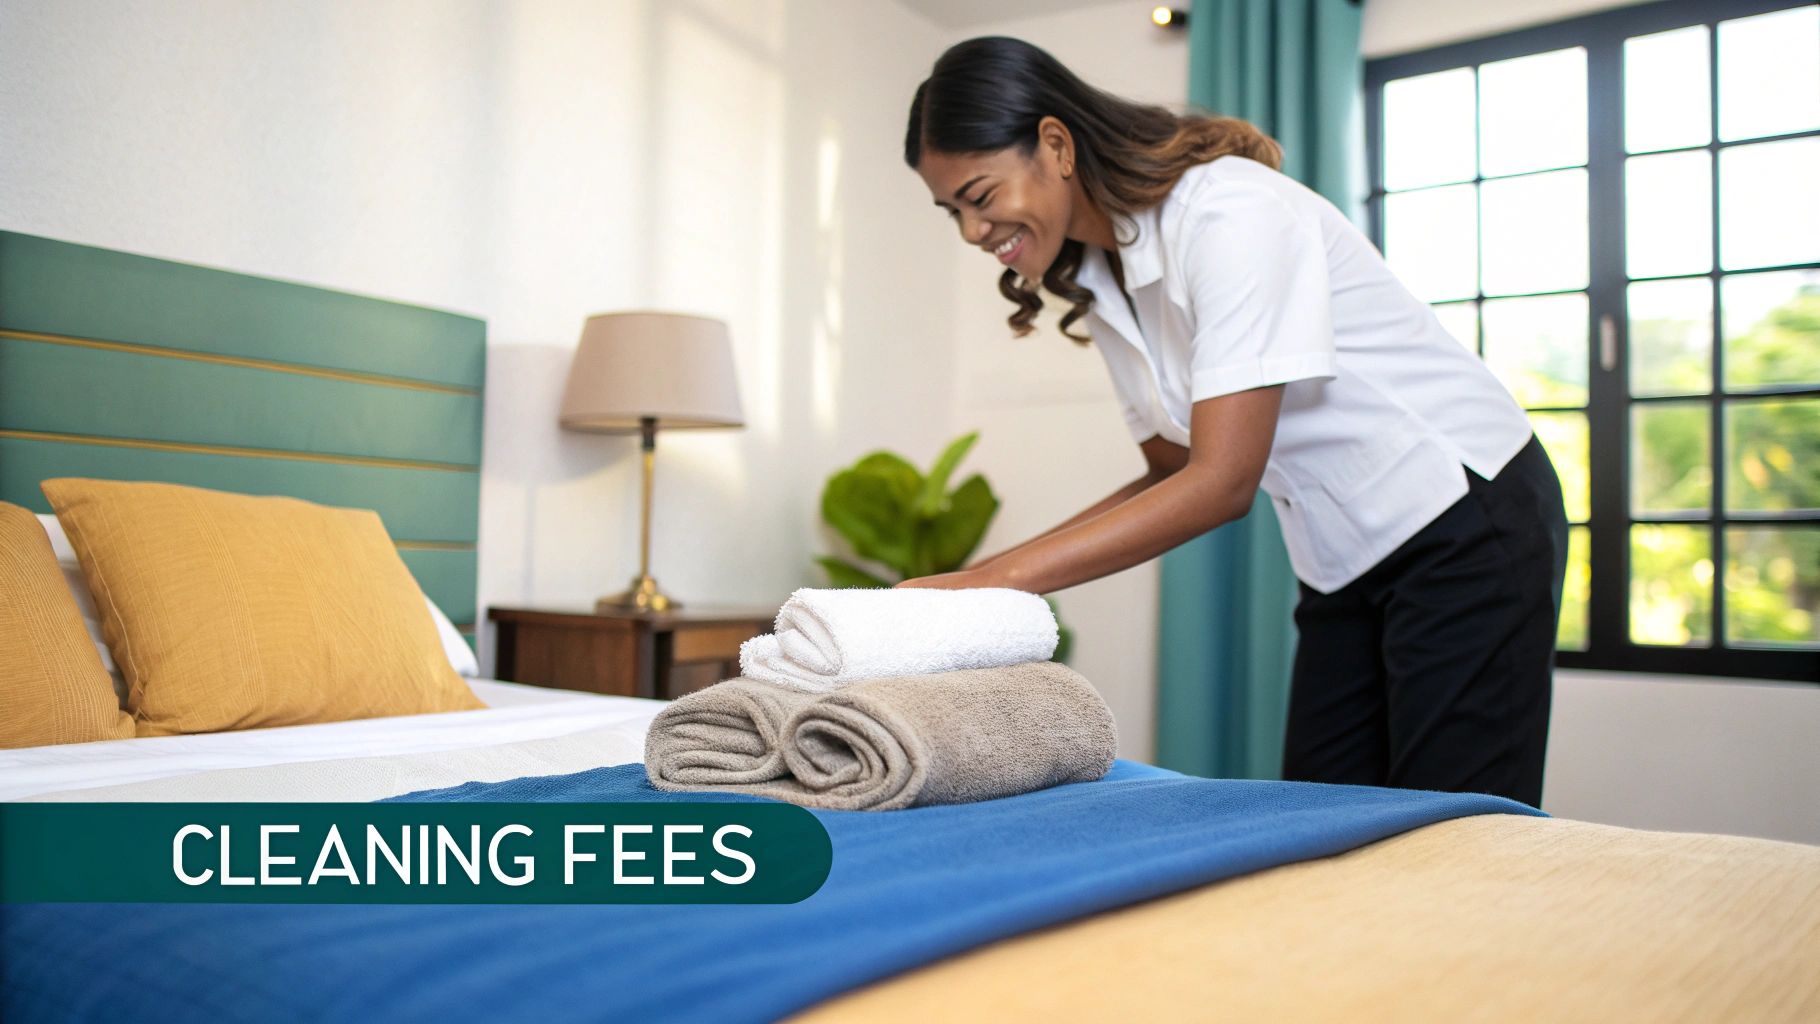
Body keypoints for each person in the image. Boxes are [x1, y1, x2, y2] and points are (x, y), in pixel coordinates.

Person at [893, 37, 1568, 808]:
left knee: (1459, 833)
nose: (973, 232)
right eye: (954, 212)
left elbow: (1221, 482)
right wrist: (976, 583)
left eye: (980, 197)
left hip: (1463, 511)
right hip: (1344, 555)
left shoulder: (1229, 211)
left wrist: (985, 586)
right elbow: (1170, 469)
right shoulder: (1100, 273)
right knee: (1322, 826)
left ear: (1055, 144)